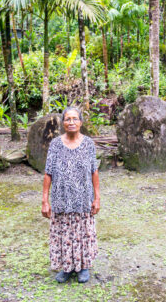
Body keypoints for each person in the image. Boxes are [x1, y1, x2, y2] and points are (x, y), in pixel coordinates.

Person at [41, 106, 100, 284]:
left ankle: (82, 267)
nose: (71, 122)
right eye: (68, 119)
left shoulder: (88, 143)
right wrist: (45, 200)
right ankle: (66, 268)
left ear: (81, 122)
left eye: (75, 119)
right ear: (63, 122)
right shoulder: (56, 144)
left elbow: (94, 172)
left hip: (83, 199)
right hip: (61, 199)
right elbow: (48, 172)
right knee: (64, 233)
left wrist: (97, 198)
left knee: (83, 233)